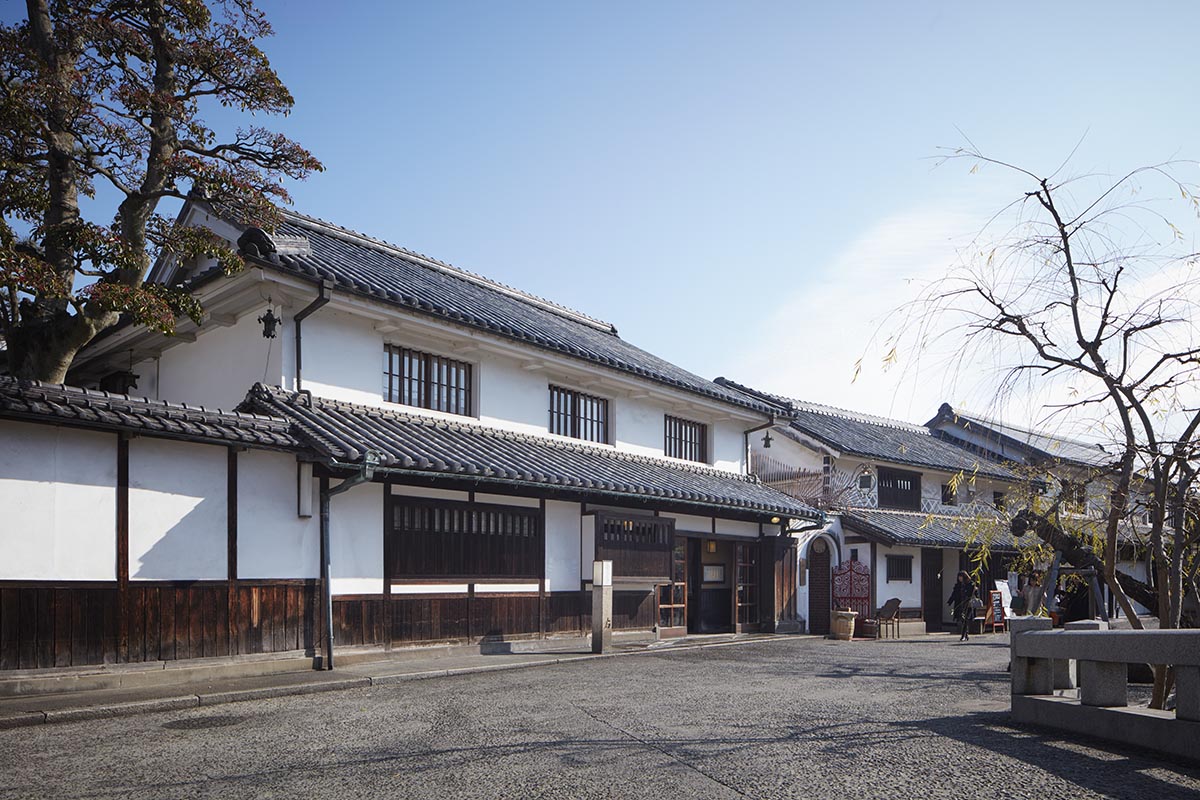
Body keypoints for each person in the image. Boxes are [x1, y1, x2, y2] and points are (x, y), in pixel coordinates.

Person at [947, 570, 977, 641]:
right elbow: (954, 594)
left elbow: (975, 595)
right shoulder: (958, 585)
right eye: (959, 577)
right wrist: (950, 601)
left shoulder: (971, 584)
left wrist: (975, 591)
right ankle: (965, 635)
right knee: (963, 620)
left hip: (968, 604)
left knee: (965, 619)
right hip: (960, 604)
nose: (959, 578)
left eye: (960, 577)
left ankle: (963, 635)